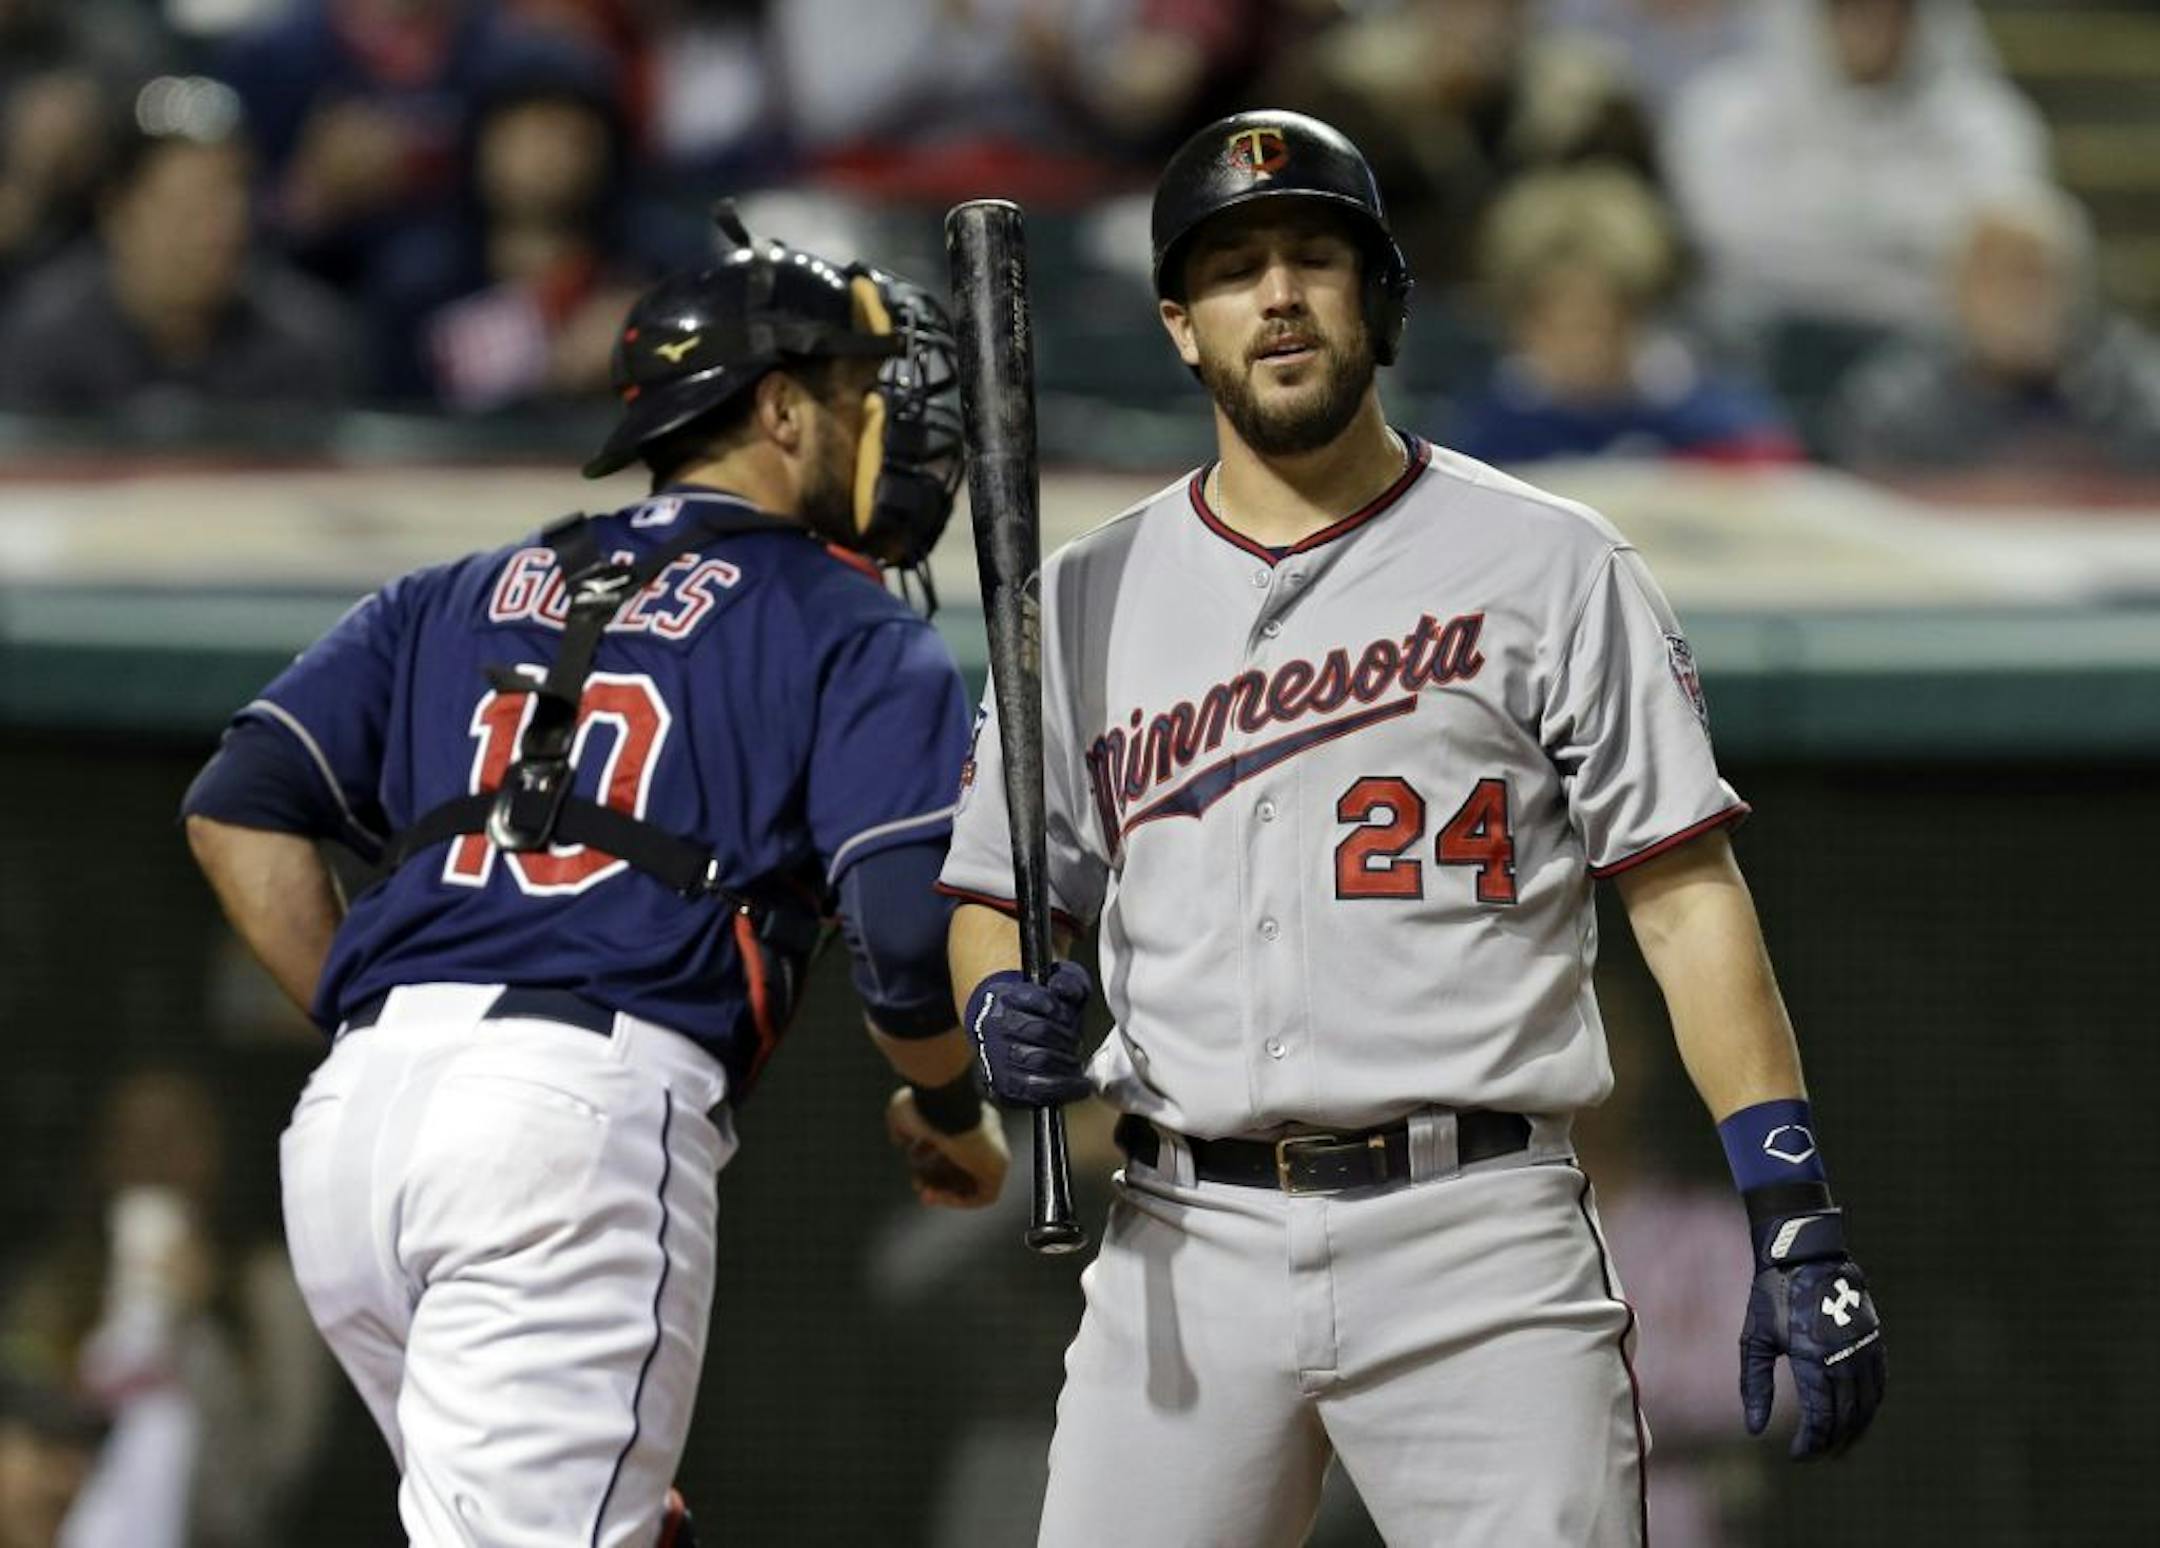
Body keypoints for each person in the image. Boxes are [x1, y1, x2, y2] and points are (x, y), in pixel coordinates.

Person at [941, 110, 1887, 1546]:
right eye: (1232, 267)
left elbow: (1686, 898)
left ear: (1378, 297)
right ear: (1180, 327)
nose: (1276, 294)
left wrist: (1790, 1198)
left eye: (1313, 256)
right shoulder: (1078, 596)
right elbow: (999, 896)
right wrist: (992, 999)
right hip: (1184, 1235)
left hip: (1477, 1236)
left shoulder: (1553, 562)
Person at [180, 209, 1002, 1546]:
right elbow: (908, 943)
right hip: (568, 1122)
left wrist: (385, 1030)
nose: (885, 426)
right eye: (858, 393)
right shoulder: (843, 617)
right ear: (780, 409)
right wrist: (951, 1108)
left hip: (353, 1132)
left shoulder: (455, 587)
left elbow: (236, 809)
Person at [1, 1067, 333, 1548]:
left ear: (219, 1151)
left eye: (175, 1137)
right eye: (132, 1138)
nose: (153, 1158)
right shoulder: (52, 1286)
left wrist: (197, 1325)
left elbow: (274, 1480)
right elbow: (24, 1442)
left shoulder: (274, 1290)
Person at [0, 77, 354, 417]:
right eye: (188, 205)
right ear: (117, 209)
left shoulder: (302, 343)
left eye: (229, 200)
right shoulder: (46, 341)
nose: (215, 230)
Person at [1447, 165, 1796, 466]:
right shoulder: (1486, 434)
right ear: (1521, 325)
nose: (1582, 348)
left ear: (1635, 317)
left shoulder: (1716, 423)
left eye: (1598, 324)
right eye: (1557, 328)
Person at [1825, 185, 2160, 478]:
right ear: (1958, 288)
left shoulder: (2132, 388)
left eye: (2042, 272)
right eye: (2002, 274)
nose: (2025, 296)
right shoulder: (1896, 400)